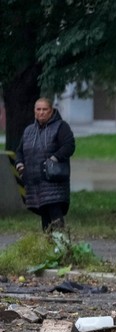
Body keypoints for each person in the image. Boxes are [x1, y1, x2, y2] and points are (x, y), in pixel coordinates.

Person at [14, 97, 76, 233]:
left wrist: (54, 159)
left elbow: (69, 145)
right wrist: (20, 165)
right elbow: (20, 151)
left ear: (51, 111)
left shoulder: (61, 126)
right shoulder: (29, 130)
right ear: (34, 111)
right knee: (44, 216)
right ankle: (49, 249)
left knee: (55, 213)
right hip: (35, 183)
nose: (41, 112)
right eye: (38, 109)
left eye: (45, 109)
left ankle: (62, 246)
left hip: (54, 181)